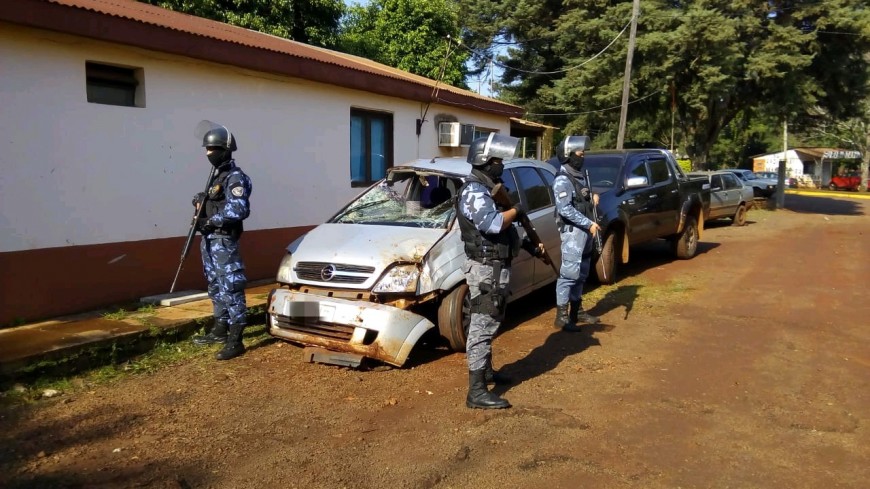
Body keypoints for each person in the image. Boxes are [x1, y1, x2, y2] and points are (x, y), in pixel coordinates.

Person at [456, 133, 547, 409]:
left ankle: (485, 371)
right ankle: (477, 391)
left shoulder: (489, 188)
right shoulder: (474, 191)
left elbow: (507, 233)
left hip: (493, 267)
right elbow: (493, 224)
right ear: (485, 161)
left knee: (490, 319)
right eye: (497, 160)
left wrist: (531, 246)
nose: (501, 165)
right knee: (482, 325)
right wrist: (516, 211)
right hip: (485, 269)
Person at [189, 122, 253, 360]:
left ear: (225, 150)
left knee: (231, 287)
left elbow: (238, 209)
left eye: (212, 149)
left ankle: (236, 339)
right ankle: (219, 329)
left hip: (223, 241)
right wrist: (202, 201)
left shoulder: (236, 178)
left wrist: (212, 221)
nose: (208, 153)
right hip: (209, 241)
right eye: (206, 149)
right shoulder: (217, 176)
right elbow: (217, 202)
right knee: (215, 285)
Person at [552, 135, 601, 332]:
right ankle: (562, 316)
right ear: (568, 155)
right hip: (574, 233)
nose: (582, 157)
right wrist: (588, 223)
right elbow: (565, 210)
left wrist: (593, 198)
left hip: (586, 232)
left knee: (582, 273)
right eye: (580, 154)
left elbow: (581, 200)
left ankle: (576, 310)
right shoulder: (562, 180)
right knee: (569, 274)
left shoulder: (579, 177)